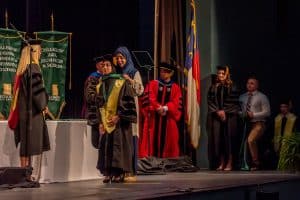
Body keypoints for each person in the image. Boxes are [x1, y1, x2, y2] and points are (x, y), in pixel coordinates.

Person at [8, 39, 50, 180]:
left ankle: (23, 173)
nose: (41, 53)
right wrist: (44, 104)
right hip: (34, 114)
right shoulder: (34, 68)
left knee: (25, 146)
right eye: (39, 50)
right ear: (34, 51)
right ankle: (31, 176)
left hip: (24, 114)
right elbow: (38, 93)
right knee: (33, 145)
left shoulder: (22, 70)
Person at [95, 54, 137, 183]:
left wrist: (119, 116)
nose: (105, 68)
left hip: (119, 123)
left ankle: (119, 173)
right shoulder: (100, 85)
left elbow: (128, 103)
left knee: (119, 147)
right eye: (104, 66)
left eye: (108, 65)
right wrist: (100, 122)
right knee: (106, 147)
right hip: (107, 122)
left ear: (113, 67)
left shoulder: (121, 82)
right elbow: (99, 105)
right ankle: (108, 172)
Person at [139, 62, 182, 158]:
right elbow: (149, 97)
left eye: (165, 72)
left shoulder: (175, 87)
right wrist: (158, 107)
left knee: (171, 138)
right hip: (154, 117)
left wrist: (166, 108)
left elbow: (177, 102)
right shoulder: (153, 84)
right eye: (162, 71)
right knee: (151, 138)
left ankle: (168, 160)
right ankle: (150, 158)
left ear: (170, 73)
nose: (162, 73)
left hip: (168, 118)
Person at [113, 46, 144, 181]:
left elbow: (140, 90)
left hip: (130, 110)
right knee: (121, 141)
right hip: (119, 111)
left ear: (127, 58)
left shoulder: (133, 72)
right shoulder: (115, 72)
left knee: (131, 139)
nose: (120, 60)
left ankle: (131, 171)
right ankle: (121, 170)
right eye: (118, 58)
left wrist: (130, 80)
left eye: (122, 58)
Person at [206, 65, 240, 171]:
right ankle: (222, 162)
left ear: (227, 75)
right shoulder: (213, 87)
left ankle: (230, 163)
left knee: (229, 140)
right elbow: (210, 101)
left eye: (222, 73)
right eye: (219, 73)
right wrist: (218, 111)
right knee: (219, 140)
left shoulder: (233, 87)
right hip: (217, 117)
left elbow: (234, 102)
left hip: (230, 117)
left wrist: (225, 111)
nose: (220, 75)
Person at [239, 76, 270, 171]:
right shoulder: (242, 97)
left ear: (257, 85)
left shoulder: (262, 97)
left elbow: (267, 112)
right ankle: (244, 163)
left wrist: (254, 115)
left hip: (258, 123)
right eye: (248, 83)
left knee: (251, 140)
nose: (249, 85)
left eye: (252, 83)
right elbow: (239, 110)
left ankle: (256, 163)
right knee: (243, 143)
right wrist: (242, 114)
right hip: (246, 124)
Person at [83, 55, 105, 149]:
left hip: (105, 117)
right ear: (97, 66)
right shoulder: (93, 78)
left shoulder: (107, 78)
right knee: (96, 143)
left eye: (106, 65)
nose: (104, 67)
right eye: (102, 64)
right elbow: (89, 97)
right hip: (95, 115)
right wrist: (101, 98)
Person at [273, 99, 299, 165]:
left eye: (285, 107)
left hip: (289, 145)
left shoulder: (294, 118)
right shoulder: (277, 118)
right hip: (278, 145)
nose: (283, 109)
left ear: (289, 107)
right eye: (281, 107)